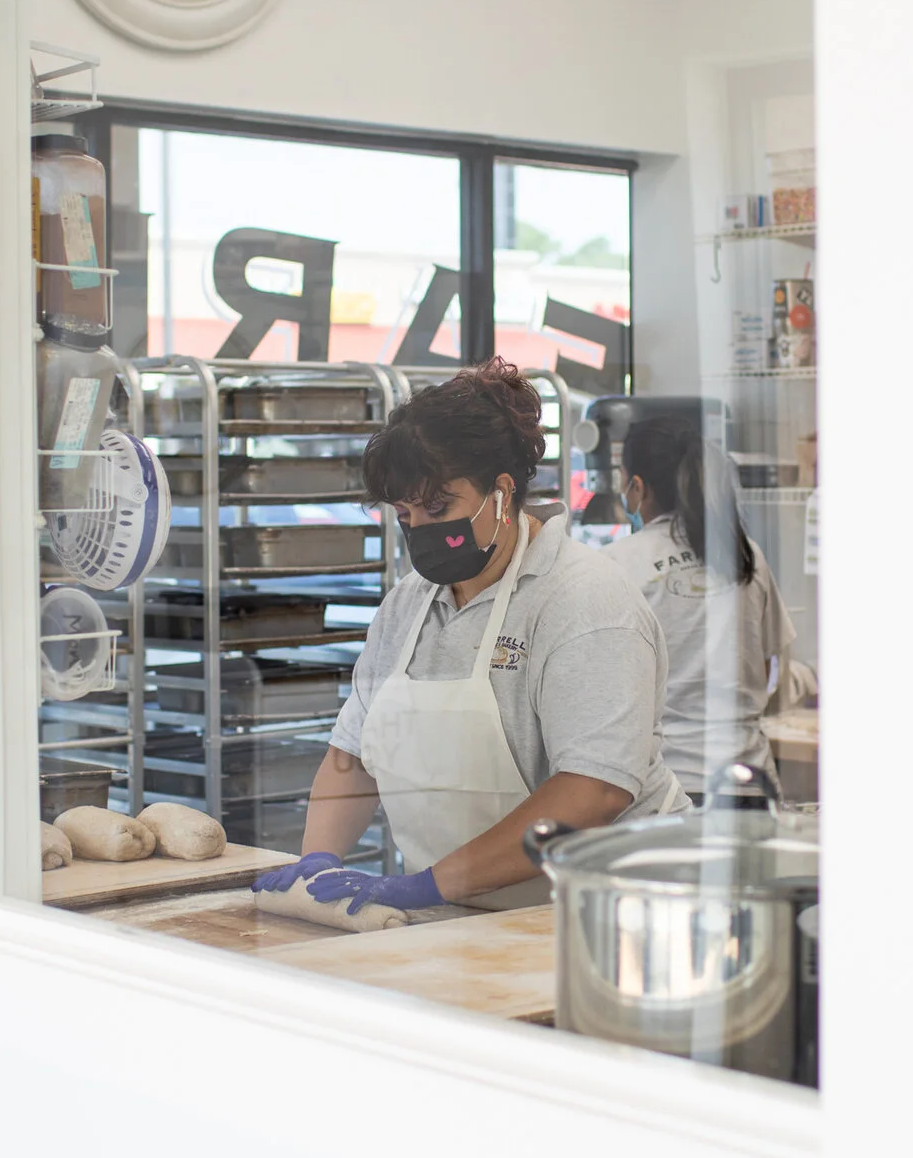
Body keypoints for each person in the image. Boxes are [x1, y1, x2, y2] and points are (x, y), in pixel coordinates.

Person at [255, 360, 688, 914]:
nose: (420, 527)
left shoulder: (584, 599)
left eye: (439, 507)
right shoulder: (408, 606)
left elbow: (593, 790)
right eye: (406, 513)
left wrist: (433, 883)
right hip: (465, 911)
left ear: (503, 494)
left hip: (602, 910)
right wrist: (318, 858)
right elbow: (352, 759)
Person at [601, 413, 813, 796]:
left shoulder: (618, 564)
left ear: (637, 487)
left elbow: (610, 690)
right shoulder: (744, 553)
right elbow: (766, 664)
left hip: (667, 790)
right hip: (748, 781)